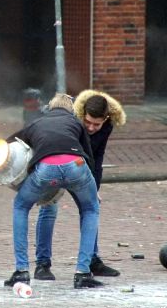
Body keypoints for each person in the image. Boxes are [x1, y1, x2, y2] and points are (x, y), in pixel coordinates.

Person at [3, 93, 104, 289]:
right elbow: (89, 156)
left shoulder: (37, 123)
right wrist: (93, 188)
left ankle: (21, 271)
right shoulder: (76, 123)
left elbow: (8, 144)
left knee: (21, 206)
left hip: (46, 169)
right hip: (76, 165)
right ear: (71, 111)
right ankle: (83, 273)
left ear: (49, 108)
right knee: (90, 209)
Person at [34, 90, 126, 280]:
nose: (91, 128)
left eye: (97, 124)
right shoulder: (69, 119)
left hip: (81, 167)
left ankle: (92, 260)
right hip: (55, 162)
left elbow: (97, 156)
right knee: (48, 209)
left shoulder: (107, 126)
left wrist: (95, 187)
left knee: (90, 207)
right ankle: (42, 264)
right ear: (82, 113)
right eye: (88, 122)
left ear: (106, 119)